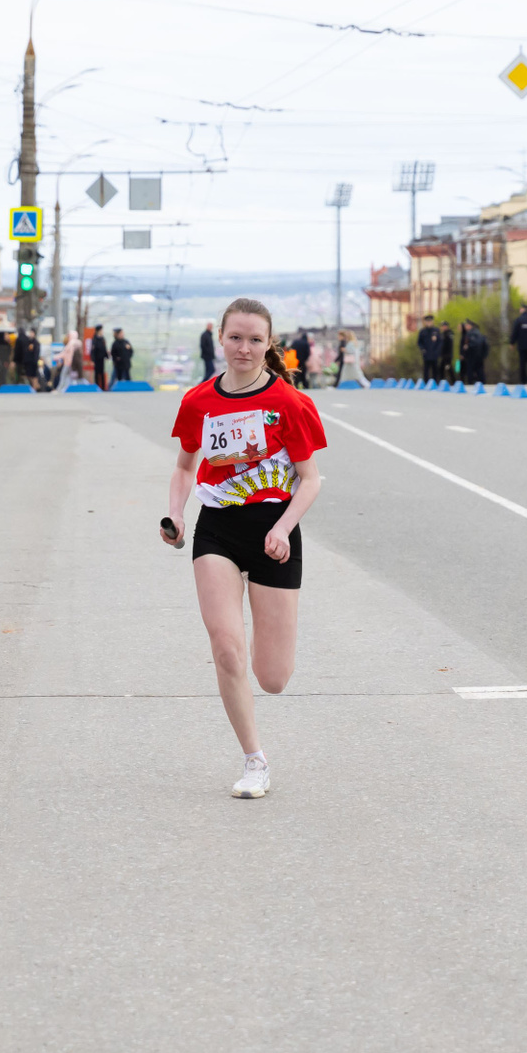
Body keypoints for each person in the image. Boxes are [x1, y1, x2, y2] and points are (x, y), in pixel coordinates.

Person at [163, 298, 326, 800]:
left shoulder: (289, 403)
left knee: (272, 677)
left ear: (269, 343)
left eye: (255, 339)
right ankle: (254, 760)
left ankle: (266, 637)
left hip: (275, 532)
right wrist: (176, 514)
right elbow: (185, 467)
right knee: (226, 648)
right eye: (235, 337)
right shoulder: (198, 401)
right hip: (218, 530)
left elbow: (310, 480)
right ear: (220, 338)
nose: (244, 348)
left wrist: (283, 528)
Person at [459, 320, 489, 386]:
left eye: (467, 325)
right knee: (479, 371)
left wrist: (468, 346)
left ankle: (471, 384)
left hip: (472, 356)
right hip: (478, 356)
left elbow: (476, 343)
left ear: (470, 326)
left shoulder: (471, 333)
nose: (465, 327)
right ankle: (482, 384)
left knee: (471, 371)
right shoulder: (478, 333)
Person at [416, 314, 442, 383]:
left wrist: (437, 351)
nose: (429, 323)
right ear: (425, 322)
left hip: (434, 354)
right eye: (427, 321)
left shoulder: (436, 330)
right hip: (426, 354)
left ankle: (435, 383)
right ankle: (426, 383)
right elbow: (419, 342)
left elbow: (440, 342)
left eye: (430, 321)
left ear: (432, 322)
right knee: (426, 369)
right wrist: (423, 349)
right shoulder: (422, 331)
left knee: (435, 369)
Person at [87, 324, 107, 390]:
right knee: (97, 373)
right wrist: (92, 360)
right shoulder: (94, 339)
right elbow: (92, 350)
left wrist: (106, 355)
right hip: (96, 359)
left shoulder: (102, 338)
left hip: (102, 359)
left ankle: (103, 388)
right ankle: (97, 387)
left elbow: (104, 348)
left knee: (102, 373)